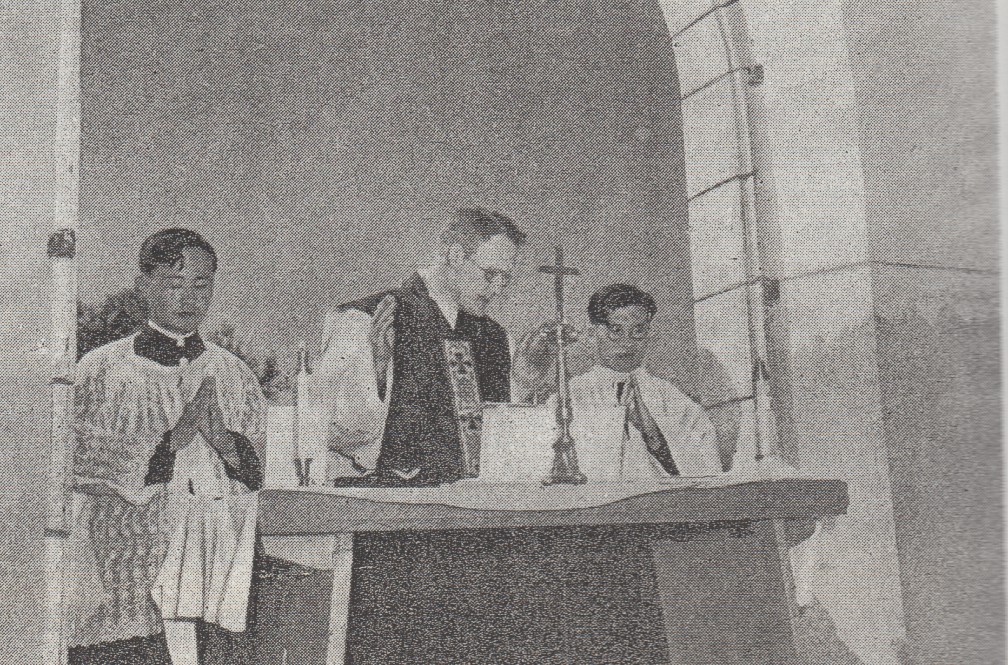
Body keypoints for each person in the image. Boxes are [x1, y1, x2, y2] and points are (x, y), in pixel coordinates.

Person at [66, 229, 265, 665]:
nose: (189, 298)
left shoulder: (234, 374)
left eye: (201, 284)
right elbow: (77, 465)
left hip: (213, 562)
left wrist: (222, 442)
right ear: (144, 284)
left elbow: (255, 474)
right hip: (127, 564)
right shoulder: (102, 370)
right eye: (174, 283)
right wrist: (171, 443)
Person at [306, 207, 522, 485]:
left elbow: (509, 446)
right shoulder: (364, 318)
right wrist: (378, 370)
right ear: (454, 255)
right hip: (396, 508)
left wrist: (524, 384)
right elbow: (328, 429)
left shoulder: (498, 338)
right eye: (490, 275)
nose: (497, 289)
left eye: (506, 279)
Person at [517, 283, 723, 479]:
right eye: (616, 330)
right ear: (591, 334)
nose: (628, 342)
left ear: (649, 333)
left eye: (638, 331)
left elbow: (707, 472)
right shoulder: (567, 397)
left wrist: (653, 434)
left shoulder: (674, 401)